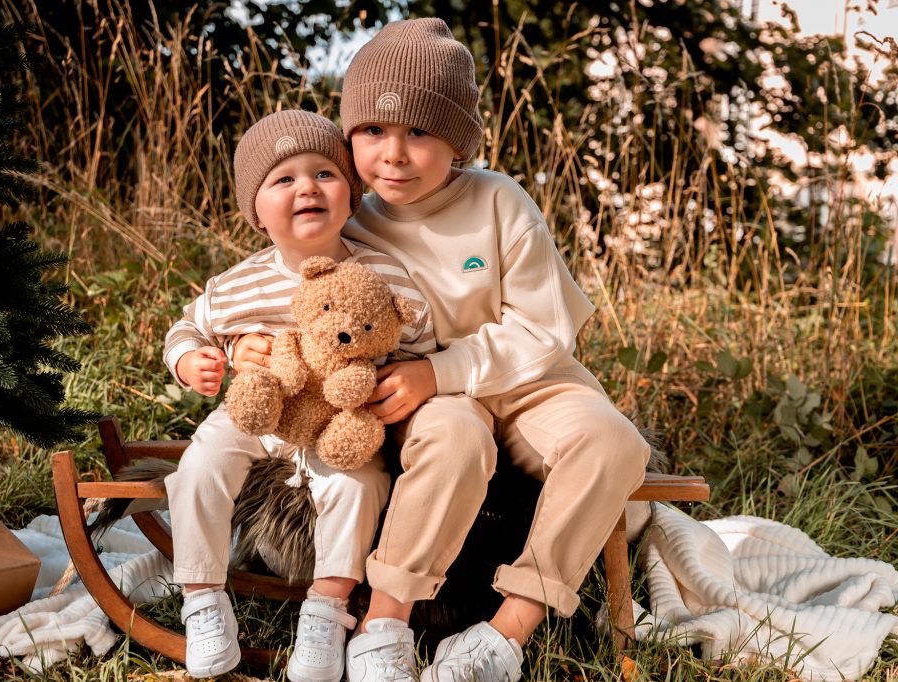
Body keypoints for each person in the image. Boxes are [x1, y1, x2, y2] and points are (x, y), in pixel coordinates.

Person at [233, 18, 651, 682]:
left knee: (616, 443)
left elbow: (545, 328)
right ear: (348, 139)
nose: (392, 155)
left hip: (530, 382)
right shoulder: (352, 222)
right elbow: (295, 298)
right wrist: (242, 348)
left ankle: (507, 631)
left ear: (458, 140)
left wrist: (443, 370)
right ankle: (384, 624)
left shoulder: (499, 202)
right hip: (424, 399)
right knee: (455, 439)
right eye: (372, 132)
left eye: (419, 132)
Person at [164, 109, 435, 682]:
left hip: (338, 419)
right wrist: (195, 362)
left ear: (352, 195)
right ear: (256, 213)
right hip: (256, 413)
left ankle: (325, 610)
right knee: (198, 468)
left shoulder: (382, 273)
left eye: (324, 174)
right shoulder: (235, 284)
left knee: (361, 483)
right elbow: (185, 330)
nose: (306, 187)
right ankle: (203, 598)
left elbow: (420, 338)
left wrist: (404, 376)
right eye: (283, 180)